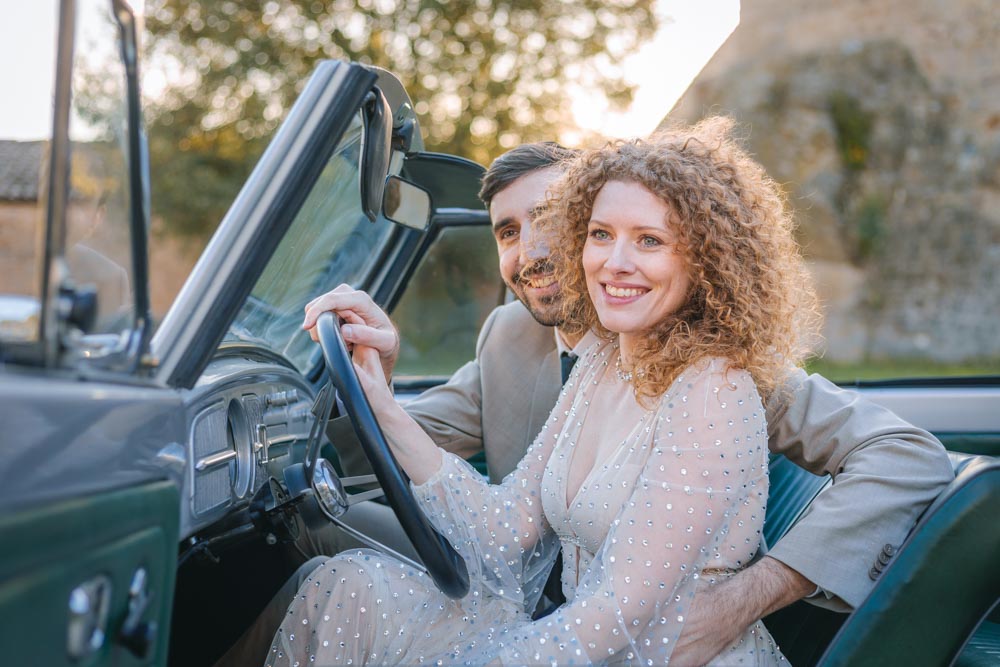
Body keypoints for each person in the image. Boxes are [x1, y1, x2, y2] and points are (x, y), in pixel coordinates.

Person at [261, 119, 920, 665]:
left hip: (635, 643)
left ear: (703, 258)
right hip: (556, 622)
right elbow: (497, 523)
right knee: (341, 587)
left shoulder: (723, 381)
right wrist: (375, 387)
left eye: (649, 239)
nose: (536, 251)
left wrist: (752, 593)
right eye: (601, 234)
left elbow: (615, 619)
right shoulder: (572, 350)